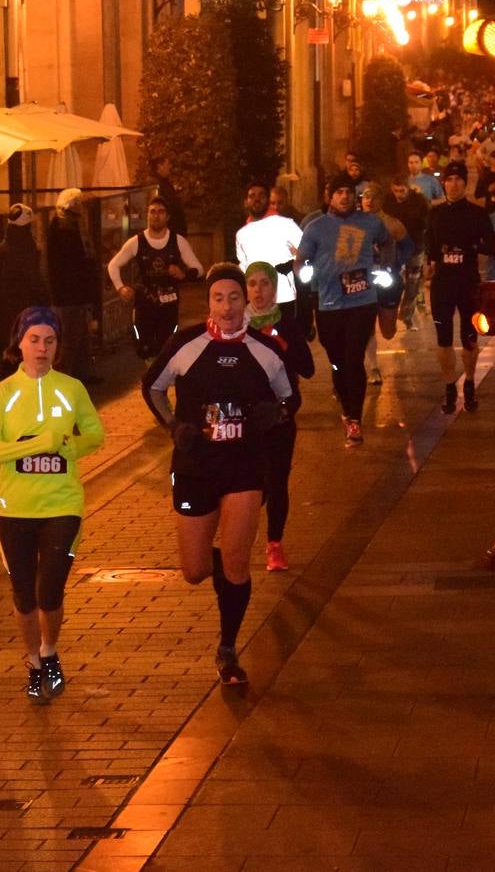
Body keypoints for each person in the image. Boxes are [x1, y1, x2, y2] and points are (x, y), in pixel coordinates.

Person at [142, 265, 293, 685]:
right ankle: (215, 567)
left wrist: (273, 415)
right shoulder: (186, 343)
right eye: (218, 298)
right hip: (196, 467)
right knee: (193, 571)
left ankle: (228, 650)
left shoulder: (264, 349)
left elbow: (290, 397)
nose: (227, 307)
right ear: (209, 302)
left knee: (237, 561)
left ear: (246, 301)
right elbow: (151, 388)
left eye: (234, 297)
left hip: (245, 466)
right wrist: (174, 426)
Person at [0, 307, 104, 702]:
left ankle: (49, 650)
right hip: (15, 508)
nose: (42, 348)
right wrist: (35, 444)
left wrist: (68, 447)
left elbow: (96, 435)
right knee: (24, 595)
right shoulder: (3, 394)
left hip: (62, 504)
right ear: (20, 344)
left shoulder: (72, 388)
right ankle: (32, 660)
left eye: (50, 341)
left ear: (58, 346)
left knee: (50, 591)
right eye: (34, 340)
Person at [294, 172, 391, 447]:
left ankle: (354, 420)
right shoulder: (315, 227)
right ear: (330, 196)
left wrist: (385, 267)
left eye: (349, 191)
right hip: (329, 304)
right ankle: (346, 406)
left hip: (362, 302)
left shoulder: (371, 222)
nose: (345, 196)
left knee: (353, 359)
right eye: (339, 192)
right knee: (337, 361)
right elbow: (300, 261)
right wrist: (305, 278)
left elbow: (388, 241)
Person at [242, 262, 312, 573]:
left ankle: (275, 544)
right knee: (253, 485)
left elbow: (308, 369)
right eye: (252, 283)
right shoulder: (235, 323)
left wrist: (282, 344)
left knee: (277, 481)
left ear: (275, 288)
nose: (258, 290)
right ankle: (241, 536)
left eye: (265, 284)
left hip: (282, 413)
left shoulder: (288, 324)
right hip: (245, 419)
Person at [425, 162, 495, 415]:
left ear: (465, 183)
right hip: (442, 284)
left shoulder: (477, 214)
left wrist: (472, 247)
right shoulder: (435, 214)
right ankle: (448, 387)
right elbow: (430, 246)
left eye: (458, 179)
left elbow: (493, 246)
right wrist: (429, 266)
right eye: (449, 179)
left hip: (468, 283)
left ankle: (469, 383)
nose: (453, 183)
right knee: (443, 338)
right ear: (443, 183)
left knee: (469, 337)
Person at [106, 197, 202, 358]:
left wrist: (184, 274)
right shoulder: (136, 242)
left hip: (169, 307)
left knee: (168, 349)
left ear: (167, 216)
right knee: (144, 350)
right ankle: (151, 379)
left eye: (161, 212)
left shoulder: (178, 241)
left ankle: (162, 381)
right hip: (144, 307)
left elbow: (199, 269)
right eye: (152, 212)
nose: (156, 215)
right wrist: (120, 287)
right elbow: (113, 265)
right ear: (147, 215)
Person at [358, 182, 408, 386]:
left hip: (387, 281)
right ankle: (373, 368)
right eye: (365, 196)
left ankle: (392, 319)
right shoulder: (354, 223)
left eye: (373, 196)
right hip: (364, 282)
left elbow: (408, 246)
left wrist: (396, 265)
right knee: (366, 326)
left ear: (381, 200)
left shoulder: (392, 223)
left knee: (388, 331)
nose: (369, 200)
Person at [0, 203, 50, 376]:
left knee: (12, 348)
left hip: (7, 310)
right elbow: (34, 279)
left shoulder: (3, 246)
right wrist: (45, 300)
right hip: (28, 308)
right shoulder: (27, 247)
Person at [46, 189, 98, 381]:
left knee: (82, 335)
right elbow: (66, 265)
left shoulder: (71, 225)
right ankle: (64, 376)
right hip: (68, 294)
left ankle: (81, 373)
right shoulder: (62, 227)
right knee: (69, 336)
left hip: (76, 292)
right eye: (80, 203)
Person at [234, 185, 304, 318]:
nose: (257, 199)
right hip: (256, 300)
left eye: (261, 195)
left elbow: (306, 250)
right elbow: (244, 265)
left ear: (267, 199)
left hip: (283, 297)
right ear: (245, 202)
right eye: (252, 196)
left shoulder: (285, 224)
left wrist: (293, 262)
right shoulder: (241, 234)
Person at [384, 175, 431, 331]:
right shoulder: (388, 201)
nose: (399, 194)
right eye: (396, 191)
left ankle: (407, 316)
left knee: (413, 283)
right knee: (395, 282)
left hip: (416, 247)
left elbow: (427, 224)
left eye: (402, 190)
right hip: (395, 248)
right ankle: (393, 309)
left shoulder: (419, 201)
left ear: (408, 188)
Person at [149, 154, 188, 236]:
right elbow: (169, 205)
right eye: (167, 164)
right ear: (160, 166)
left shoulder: (163, 183)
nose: (170, 167)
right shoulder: (158, 185)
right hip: (170, 231)